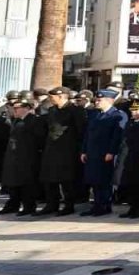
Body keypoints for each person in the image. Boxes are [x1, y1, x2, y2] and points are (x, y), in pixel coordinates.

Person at [39, 87, 85, 215]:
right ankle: (51, 204)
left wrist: (80, 150)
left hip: (67, 150)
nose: (50, 99)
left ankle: (68, 206)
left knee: (67, 180)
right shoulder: (52, 110)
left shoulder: (75, 111)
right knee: (49, 178)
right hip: (51, 149)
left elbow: (81, 131)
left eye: (52, 97)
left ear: (61, 96)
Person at [81, 90, 126, 216]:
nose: (97, 102)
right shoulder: (95, 114)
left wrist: (111, 151)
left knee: (104, 181)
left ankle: (105, 205)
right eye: (96, 100)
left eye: (100, 100)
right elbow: (87, 134)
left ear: (109, 101)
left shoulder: (117, 115)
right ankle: (97, 205)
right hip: (92, 152)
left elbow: (117, 136)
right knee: (94, 180)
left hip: (105, 153)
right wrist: (84, 150)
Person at [0, 99, 45, 215]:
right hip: (15, 157)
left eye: (17, 108)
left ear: (27, 108)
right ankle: (13, 205)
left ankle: (29, 207)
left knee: (27, 184)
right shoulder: (16, 121)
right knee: (14, 182)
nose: (14, 110)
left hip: (28, 157)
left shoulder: (34, 121)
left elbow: (39, 140)